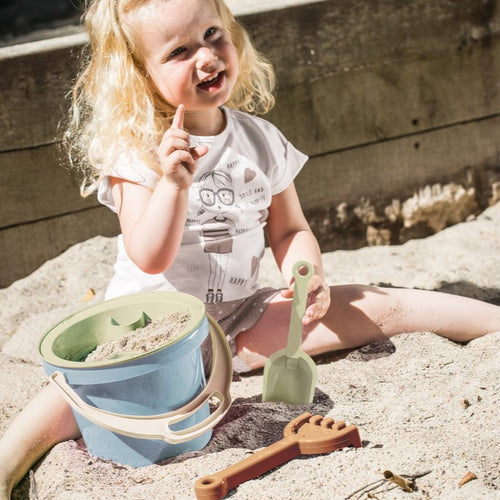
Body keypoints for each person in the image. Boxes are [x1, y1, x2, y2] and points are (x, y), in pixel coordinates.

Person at [1, 0, 499, 497]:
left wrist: (307, 271)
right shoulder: (138, 151)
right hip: (155, 337)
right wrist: (173, 184)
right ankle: (7, 465)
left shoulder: (260, 140)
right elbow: (149, 255)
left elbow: (289, 230)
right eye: (179, 50)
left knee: (380, 303)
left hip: (241, 319)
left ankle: (490, 323)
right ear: (138, 75)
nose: (206, 56)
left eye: (213, 34)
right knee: (70, 399)